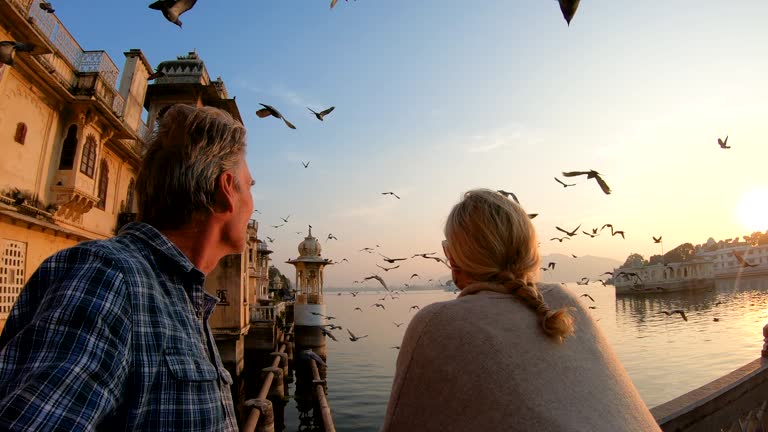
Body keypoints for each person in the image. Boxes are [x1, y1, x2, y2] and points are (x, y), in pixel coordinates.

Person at [0, 105, 253, 431]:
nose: (252, 205)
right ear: (227, 189)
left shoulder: (178, 295)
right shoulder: (109, 277)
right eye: (250, 184)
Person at [382, 189, 661, 432]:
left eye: (448, 250)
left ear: (455, 261)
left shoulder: (436, 324)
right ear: (531, 253)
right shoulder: (563, 300)